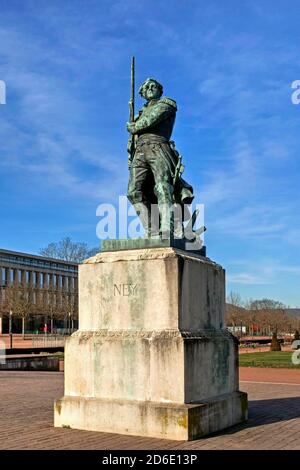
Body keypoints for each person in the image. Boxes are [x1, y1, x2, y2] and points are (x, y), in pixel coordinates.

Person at [127, 78, 194, 238]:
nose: (150, 88)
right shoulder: (140, 114)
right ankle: (152, 230)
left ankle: (167, 228)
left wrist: (134, 126)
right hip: (140, 151)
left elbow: (151, 120)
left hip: (159, 147)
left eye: (153, 86)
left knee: (163, 187)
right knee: (133, 191)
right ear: (142, 94)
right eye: (146, 87)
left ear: (160, 90)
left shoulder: (166, 104)